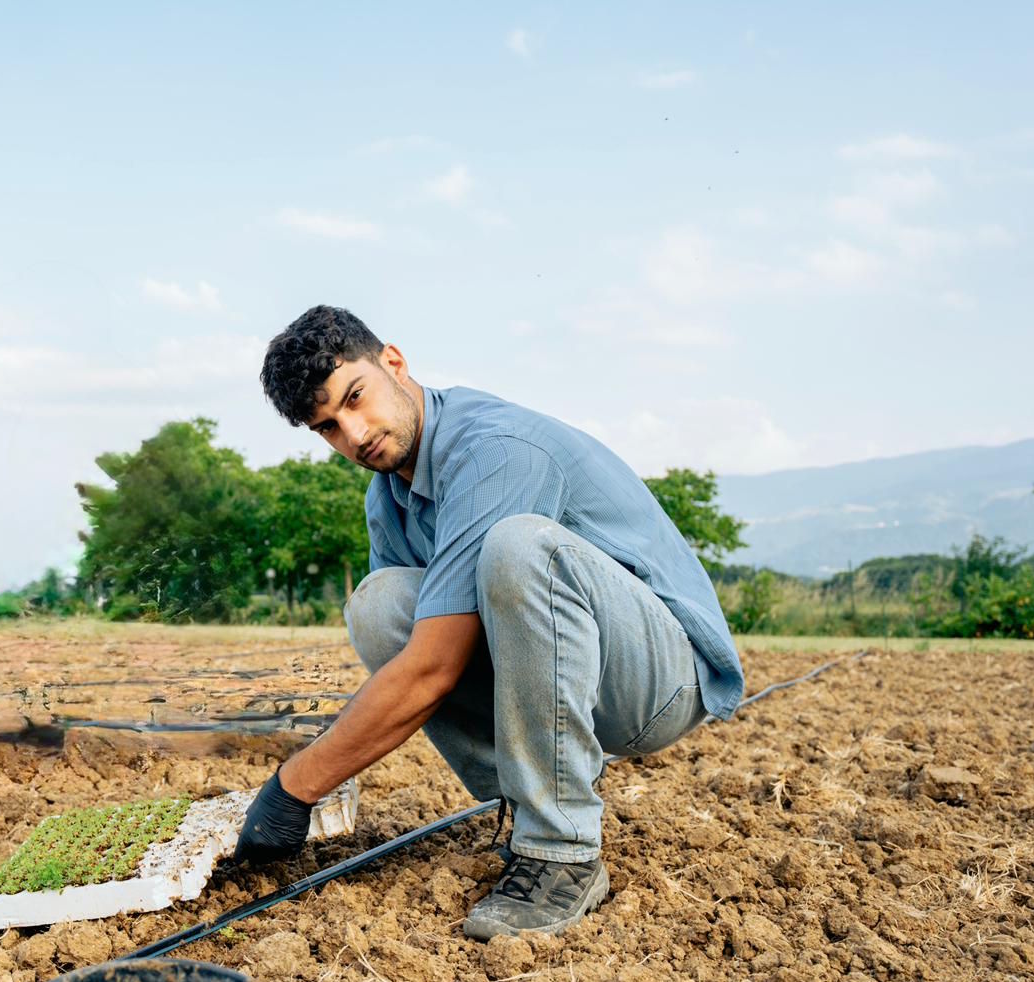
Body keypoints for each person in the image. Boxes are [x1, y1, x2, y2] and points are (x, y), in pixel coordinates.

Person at [234, 305, 745, 941]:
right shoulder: (388, 497)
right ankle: (532, 793)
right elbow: (417, 653)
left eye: (356, 398)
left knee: (519, 548)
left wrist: (293, 788)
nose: (355, 433)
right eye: (329, 427)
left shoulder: (493, 451)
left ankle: (562, 853)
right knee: (380, 603)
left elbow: (435, 667)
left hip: (660, 681)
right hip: (579, 670)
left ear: (393, 361)